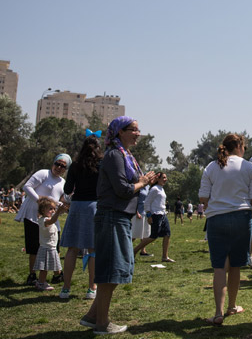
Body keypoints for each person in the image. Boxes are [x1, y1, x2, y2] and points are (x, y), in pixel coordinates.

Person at [79, 116, 159, 335]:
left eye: (138, 129)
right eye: (133, 129)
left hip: (120, 217)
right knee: (111, 272)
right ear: (120, 132)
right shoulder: (115, 155)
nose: (138, 133)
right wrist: (142, 182)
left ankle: (92, 316)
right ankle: (102, 324)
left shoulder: (124, 155)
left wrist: (143, 180)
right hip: (112, 217)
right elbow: (123, 189)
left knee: (116, 269)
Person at [199, 133, 252, 326]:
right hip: (242, 217)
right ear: (240, 146)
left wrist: (214, 209)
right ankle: (232, 306)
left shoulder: (211, 166)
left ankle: (218, 312)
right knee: (235, 266)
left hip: (217, 218)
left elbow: (202, 197)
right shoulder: (248, 166)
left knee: (219, 267)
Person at [15, 153, 72, 286]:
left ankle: (57, 274)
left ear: (66, 169)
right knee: (34, 247)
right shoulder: (43, 173)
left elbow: (60, 200)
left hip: (52, 217)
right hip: (33, 215)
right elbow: (27, 187)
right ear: (53, 163)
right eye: (57, 164)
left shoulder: (63, 183)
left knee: (54, 245)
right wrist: (41, 201)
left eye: (63, 166)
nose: (59, 167)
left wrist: (63, 205)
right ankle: (32, 275)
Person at [59, 135, 103, 300]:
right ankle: (92, 288)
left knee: (72, 248)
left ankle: (65, 288)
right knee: (93, 249)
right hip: (94, 206)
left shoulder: (76, 165)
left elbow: (68, 188)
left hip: (77, 206)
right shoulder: (101, 165)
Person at [134, 173, 175, 262]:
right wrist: (149, 216)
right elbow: (147, 203)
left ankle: (165, 257)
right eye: (163, 177)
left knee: (167, 234)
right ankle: (135, 250)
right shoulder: (154, 189)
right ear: (158, 179)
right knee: (153, 236)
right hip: (156, 215)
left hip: (163, 214)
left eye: (166, 177)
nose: (165, 179)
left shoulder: (161, 189)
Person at [34, 197, 66, 291]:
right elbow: (52, 221)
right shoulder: (43, 220)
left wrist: (60, 211)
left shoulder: (47, 219)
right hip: (46, 248)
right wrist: (58, 212)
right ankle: (40, 282)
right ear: (43, 210)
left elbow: (53, 219)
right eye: (50, 209)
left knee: (47, 267)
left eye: (54, 209)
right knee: (44, 268)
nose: (53, 211)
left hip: (51, 247)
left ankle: (42, 281)